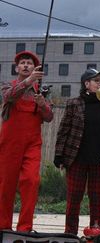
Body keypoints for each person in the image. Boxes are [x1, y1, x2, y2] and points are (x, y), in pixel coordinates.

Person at [53, 68, 100, 235]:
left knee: (97, 200)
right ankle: (70, 234)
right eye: (96, 80)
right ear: (86, 84)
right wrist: (59, 155)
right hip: (77, 160)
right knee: (74, 199)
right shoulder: (74, 103)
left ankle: (95, 233)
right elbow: (64, 130)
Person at [0, 50, 53, 231]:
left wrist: (42, 104)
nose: (25, 65)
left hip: (32, 143)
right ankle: (3, 226)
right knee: (6, 185)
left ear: (34, 68)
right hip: (10, 143)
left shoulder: (42, 92)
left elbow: (49, 117)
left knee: (31, 182)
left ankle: (25, 227)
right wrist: (29, 81)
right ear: (17, 68)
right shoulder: (8, 85)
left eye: (29, 63)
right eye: (22, 63)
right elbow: (8, 97)